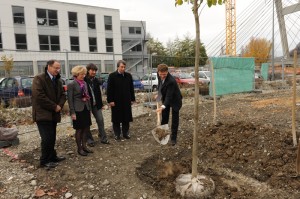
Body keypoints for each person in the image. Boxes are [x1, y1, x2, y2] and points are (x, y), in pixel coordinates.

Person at [32, 59, 67, 169]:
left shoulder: (58, 80)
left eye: (59, 68)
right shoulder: (39, 78)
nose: (58, 70)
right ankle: (44, 161)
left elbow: (62, 95)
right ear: (49, 67)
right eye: (56, 68)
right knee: (46, 138)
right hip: (43, 114)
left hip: (54, 114)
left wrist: (59, 106)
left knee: (52, 137)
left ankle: (52, 156)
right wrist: (54, 106)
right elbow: (39, 96)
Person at [67, 65, 93, 156]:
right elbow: (70, 100)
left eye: (84, 74)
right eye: (81, 74)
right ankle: (79, 149)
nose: (83, 76)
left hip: (85, 108)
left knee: (86, 128)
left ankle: (85, 146)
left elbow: (88, 96)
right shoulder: (71, 84)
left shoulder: (84, 83)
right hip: (78, 110)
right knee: (79, 130)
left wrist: (89, 108)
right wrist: (72, 112)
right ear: (76, 74)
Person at [106, 60, 135, 140]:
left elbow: (131, 88)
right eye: (122, 67)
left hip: (126, 100)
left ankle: (125, 133)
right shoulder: (112, 76)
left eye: (124, 67)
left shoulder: (128, 76)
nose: (123, 68)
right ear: (118, 67)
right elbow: (109, 89)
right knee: (116, 118)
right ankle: (117, 134)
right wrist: (110, 100)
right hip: (116, 101)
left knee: (126, 117)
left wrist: (132, 99)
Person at [156, 64, 182, 146]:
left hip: (175, 99)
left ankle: (173, 138)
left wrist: (162, 106)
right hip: (166, 98)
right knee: (164, 117)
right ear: (158, 72)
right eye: (161, 74)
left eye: (165, 74)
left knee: (175, 119)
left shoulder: (171, 81)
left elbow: (169, 96)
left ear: (167, 72)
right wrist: (159, 95)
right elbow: (160, 85)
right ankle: (163, 135)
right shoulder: (158, 75)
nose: (163, 76)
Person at [84, 63, 109, 145]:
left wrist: (101, 104)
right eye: (92, 70)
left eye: (95, 71)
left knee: (100, 120)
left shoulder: (96, 80)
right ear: (88, 70)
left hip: (96, 105)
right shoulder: (84, 80)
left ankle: (103, 138)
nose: (94, 72)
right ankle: (89, 140)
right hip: (87, 105)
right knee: (87, 123)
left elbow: (99, 91)